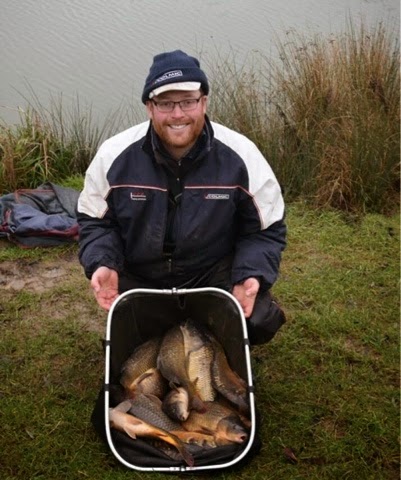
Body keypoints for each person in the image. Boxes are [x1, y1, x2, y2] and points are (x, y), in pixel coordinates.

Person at [77, 49, 286, 344]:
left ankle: (209, 329)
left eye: (188, 101)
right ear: (150, 108)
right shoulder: (113, 155)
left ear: (204, 102)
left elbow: (265, 230)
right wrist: (103, 262)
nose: (178, 114)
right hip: (141, 277)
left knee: (260, 320)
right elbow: (95, 222)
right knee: (130, 351)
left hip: (211, 274)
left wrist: (250, 274)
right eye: (165, 103)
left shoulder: (242, 155)